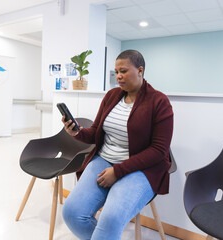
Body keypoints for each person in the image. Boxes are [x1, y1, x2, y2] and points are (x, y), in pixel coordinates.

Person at [61, 49, 174, 240]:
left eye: (123, 71)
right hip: (104, 160)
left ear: (140, 70)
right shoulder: (112, 96)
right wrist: (77, 132)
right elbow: (96, 132)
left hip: (141, 169)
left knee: (111, 220)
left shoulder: (159, 102)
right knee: (72, 213)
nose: (118, 77)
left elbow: (158, 151)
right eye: (116, 72)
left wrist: (119, 171)